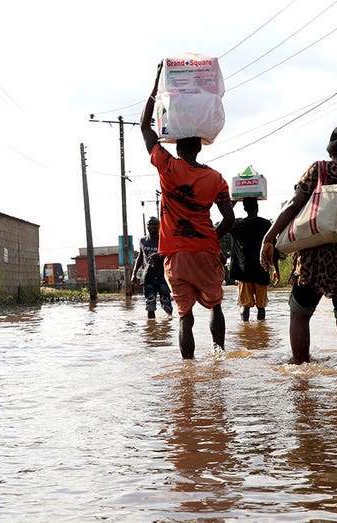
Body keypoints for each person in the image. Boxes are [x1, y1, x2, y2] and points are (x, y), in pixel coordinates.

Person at [260, 124, 337, 366]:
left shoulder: (320, 170)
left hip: (313, 262)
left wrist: (269, 237)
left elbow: (294, 205)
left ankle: (300, 371)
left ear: (331, 149)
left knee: (299, 315)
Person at [140, 62, 236, 359]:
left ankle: (188, 369)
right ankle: (219, 356)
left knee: (185, 316)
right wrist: (210, 239)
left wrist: (156, 82)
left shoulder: (167, 167)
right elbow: (229, 220)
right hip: (206, 251)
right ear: (200, 148)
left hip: (177, 255)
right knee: (216, 305)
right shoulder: (216, 179)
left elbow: (145, 127)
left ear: (178, 148)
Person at [229, 197, 280, 321]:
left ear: (244, 208)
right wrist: (276, 270)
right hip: (261, 270)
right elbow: (274, 249)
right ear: (257, 208)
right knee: (261, 307)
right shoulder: (266, 224)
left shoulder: (237, 225)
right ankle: (261, 331)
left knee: (245, 306)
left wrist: (232, 202)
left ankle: (245, 329)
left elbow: (227, 219)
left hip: (244, 272)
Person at [132, 216, 174, 319]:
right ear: (147, 226)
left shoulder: (164, 240)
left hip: (163, 277)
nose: (152, 226)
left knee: (166, 305)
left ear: (159, 226)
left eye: (155, 224)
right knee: (150, 306)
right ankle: (151, 330)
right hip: (148, 277)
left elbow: (171, 255)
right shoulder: (143, 241)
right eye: (150, 224)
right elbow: (140, 257)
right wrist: (134, 274)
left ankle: (168, 326)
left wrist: (159, 255)